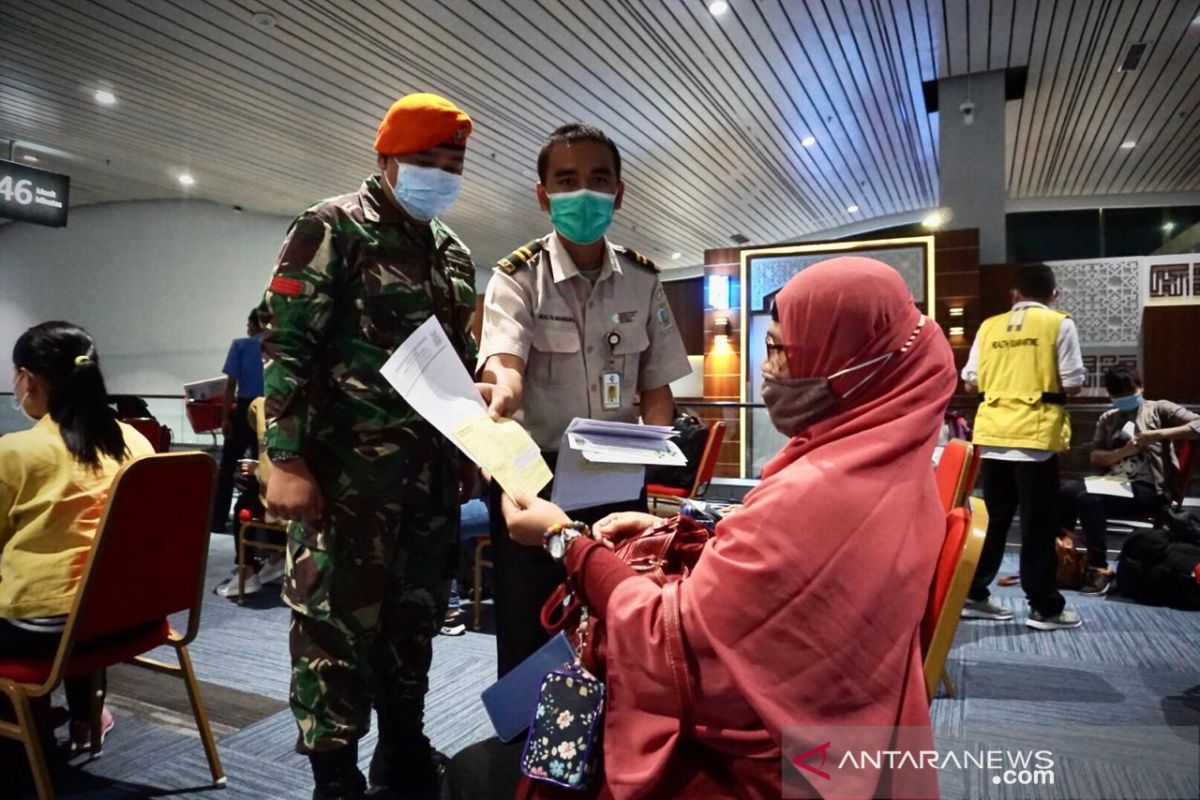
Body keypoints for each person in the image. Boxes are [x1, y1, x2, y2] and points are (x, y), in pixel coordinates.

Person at [443, 258, 956, 799]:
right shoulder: (889, 465)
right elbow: (781, 557)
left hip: (760, 760)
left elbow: (665, 641)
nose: (769, 365)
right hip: (832, 732)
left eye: (780, 348)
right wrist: (700, 529)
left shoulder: (817, 493)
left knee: (478, 772)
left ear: (850, 366)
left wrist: (566, 540)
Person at [259, 93, 485, 800]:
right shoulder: (330, 227)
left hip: (425, 479)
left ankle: (402, 751)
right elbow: (287, 343)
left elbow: (456, 363)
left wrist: (468, 447)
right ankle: (336, 778)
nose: (440, 174)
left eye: (452, 163)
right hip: (341, 477)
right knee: (334, 629)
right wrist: (286, 457)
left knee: (412, 621)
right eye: (425, 161)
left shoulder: (452, 251)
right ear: (386, 158)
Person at [476, 123, 691, 677]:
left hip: (618, 475)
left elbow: (656, 389)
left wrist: (649, 458)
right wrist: (502, 388)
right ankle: (525, 757)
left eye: (599, 179)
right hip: (536, 478)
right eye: (567, 180)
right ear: (543, 194)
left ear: (619, 192)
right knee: (532, 623)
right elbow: (505, 364)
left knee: (615, 623)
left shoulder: (643, 280)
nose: (584, 193)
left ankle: (611, 753)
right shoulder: (517, 278)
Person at [0, 322, 154, 752]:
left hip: (48, 629)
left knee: (47, 598)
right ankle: (87, 716)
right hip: (129, 615)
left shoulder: (18, 451)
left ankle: (23, 721)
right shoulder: (136, 442)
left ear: (27, 379)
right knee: (81, 585)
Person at [961, 263, 1086, 630]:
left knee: (993, 521)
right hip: (1035, 438)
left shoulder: (989, 327)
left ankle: (973, 594)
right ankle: (1044, 608)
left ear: (1014, 294)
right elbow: (1073, 382)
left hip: (993, 434)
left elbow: (970, 383)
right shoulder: (1059, 323)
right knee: (1037, 524)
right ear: (1053, 294)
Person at [1059, 366, 1200, 596]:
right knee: (1066, 492)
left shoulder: (1158, 409)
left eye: (1128, 391)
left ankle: (1099, 567)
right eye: (1117, 394)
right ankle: (1064, 550)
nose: (1123, 398)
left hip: (1148, 488)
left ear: (1140, 387)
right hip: (1113, 483)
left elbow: (1198, 424)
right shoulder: (1108, 418)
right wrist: (1122, 452)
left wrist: (1157, 435)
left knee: (1089, 499)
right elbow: (1095, 455)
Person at [212, 310, 265, 532]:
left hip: (244, 409)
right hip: (267, 410)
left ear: (255, 324)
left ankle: (218, 518)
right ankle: (256, 514)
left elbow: (231, 385)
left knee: (227, 466)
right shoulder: (275, 349)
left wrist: (225, 418)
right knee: (260, 466)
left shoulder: (240, 346)